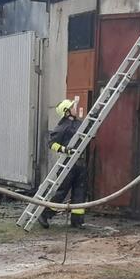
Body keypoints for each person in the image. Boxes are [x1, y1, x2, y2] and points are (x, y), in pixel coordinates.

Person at [38, 98, 87, 229]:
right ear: (67, 112)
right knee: (61, 193)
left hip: (80, 164)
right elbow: (51, 144)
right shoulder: (61, 127)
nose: (75, 108)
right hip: (67, 164)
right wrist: (64, 149)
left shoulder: (78, 123)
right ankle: (44, 215)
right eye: (72, 107)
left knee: (79, 192)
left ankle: (77, 221)